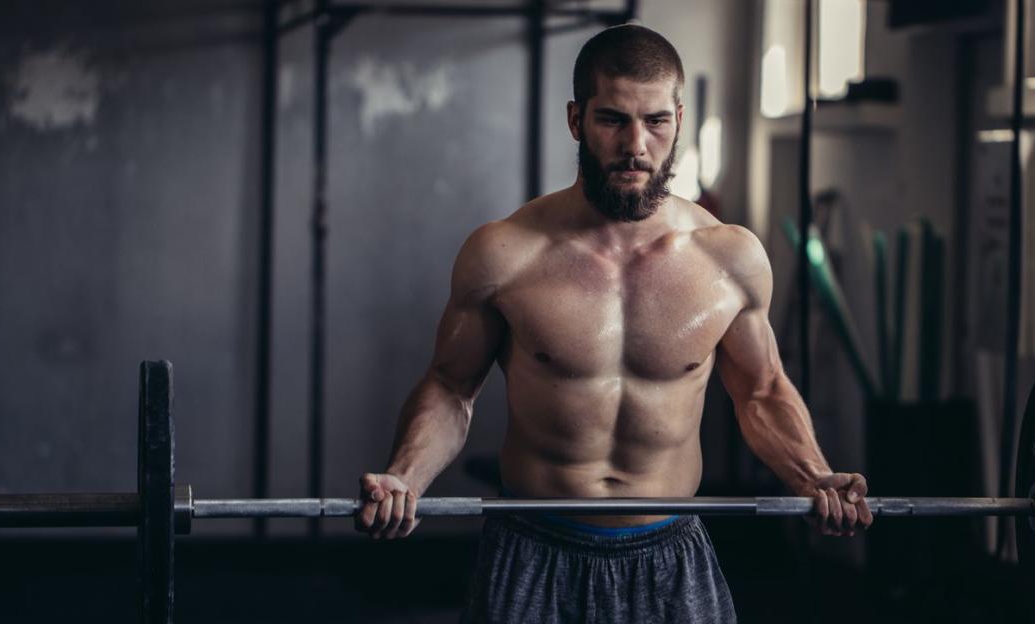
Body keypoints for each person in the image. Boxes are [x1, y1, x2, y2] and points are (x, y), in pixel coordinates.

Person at [358, 24, 874, 623]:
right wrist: (405, 477)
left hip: (671, 553)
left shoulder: (730, 259)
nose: (636, 144)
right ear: (576, 120)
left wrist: (815, 477)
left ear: (678, 119)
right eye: (613, 120)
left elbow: (760, 391)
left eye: (656, 121)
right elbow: (450, 387)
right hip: (534, 547)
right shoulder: (504, 253)